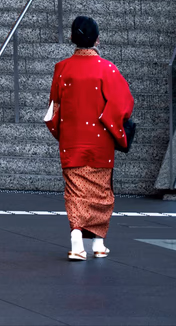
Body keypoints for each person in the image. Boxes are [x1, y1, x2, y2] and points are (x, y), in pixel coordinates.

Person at [45, 15, 134, 260]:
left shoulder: (62, 68)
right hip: (100, 141)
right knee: (101, 192)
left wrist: (61, 133)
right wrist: (116, 128)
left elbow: (54, 107)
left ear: (73, 38)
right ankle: (97, 243)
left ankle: (76, 242)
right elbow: (123, 104)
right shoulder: (107, 69)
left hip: (72, 140)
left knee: (75, 192)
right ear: (97, 39)